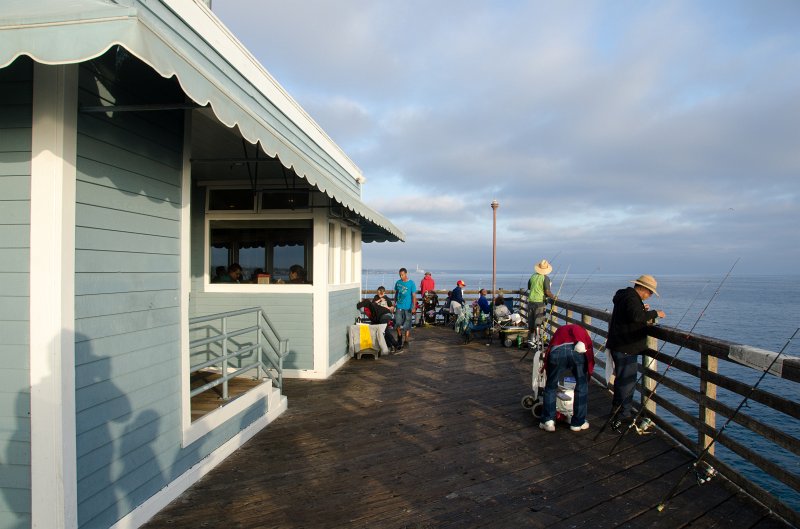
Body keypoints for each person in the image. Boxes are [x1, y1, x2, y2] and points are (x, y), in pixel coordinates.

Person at [606, 274, 666, 431]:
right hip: (626, 347)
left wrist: (641, 307)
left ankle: (616, 410)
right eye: (650, 293)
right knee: (627, 383)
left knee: (621, 380)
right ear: (644, 289)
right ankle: (624, 414)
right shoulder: (632, 298)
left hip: (618, 345)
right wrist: (654, 313)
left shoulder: (625, 295)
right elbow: (637, 317)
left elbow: (631, 313)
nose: (650, 296)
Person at [539, 323, 595, 432]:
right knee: (581, 386)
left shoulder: (560, 330)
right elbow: (589, 352)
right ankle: (578, 423)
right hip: (577, 352)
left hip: (557, 352)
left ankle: (548, 421)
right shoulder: (582, 332)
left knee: (551, 385)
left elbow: (550, 347)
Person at [527, 259, 555, 344]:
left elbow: (529, 287)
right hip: (539, 303)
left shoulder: (533, 276)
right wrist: (553, 296)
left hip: (531, 301)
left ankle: (532, 339)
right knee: (538, 322)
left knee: (531, 321)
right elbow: (547, 291)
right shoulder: (545, 278)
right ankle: (538, 340)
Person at [393, 268, 416, 350]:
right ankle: (399, 336)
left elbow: (413, 295)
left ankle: (406, 339)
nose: (401, 276)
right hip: (399, 306)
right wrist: (394, 304)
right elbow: (396, 293)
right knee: (397, 322)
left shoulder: (411, 283)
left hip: (408, 306)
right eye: (400, 275)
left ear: (406, 274)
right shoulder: (398, 283)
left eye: (402, 274)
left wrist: (413, 306)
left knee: (407, 323)